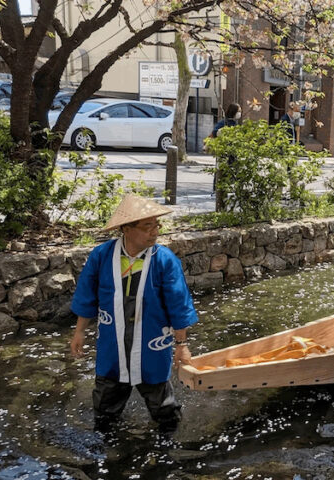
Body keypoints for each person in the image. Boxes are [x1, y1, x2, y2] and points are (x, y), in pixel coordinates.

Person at [70, 195, 198, 433]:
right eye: (147, 227)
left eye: (157, 225)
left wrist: (182, 344)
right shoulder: (102, 256)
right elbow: (87, 295)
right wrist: (79, 332)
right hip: (112, 350)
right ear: (126, 229)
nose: (154, 232)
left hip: (151, 346)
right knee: (105, 412)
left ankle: (165, 454)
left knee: (165, 411)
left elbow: (178, 304)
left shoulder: (165, 261)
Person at [208, 103, 241, 195]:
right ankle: (217, 191)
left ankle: (229, 189)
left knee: (233, 170)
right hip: (224, 151)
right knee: (221, 170)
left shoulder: (234, 123)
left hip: (233, 151)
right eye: (238, 111)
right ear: (233, 112)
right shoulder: (224, 122)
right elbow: (214, 133)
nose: (239, 113)